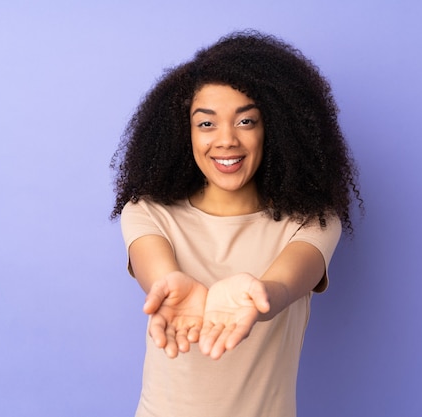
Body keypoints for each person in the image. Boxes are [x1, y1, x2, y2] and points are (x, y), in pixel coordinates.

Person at [110, 30, 360, 417]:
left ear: (274, 128)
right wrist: (169, 285)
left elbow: (285, 283)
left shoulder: (311, 222)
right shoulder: (148, 211)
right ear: (184, 133)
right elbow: (155, 268)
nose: (226, 140)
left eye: (246, 121)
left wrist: (259, 298)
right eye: (206, 124)